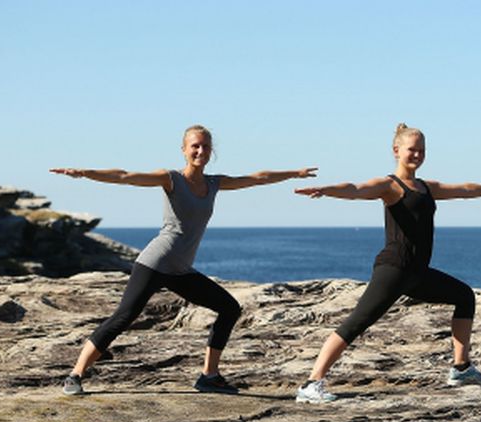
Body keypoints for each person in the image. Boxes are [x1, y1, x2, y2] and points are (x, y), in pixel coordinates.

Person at [51, 125, 317, 395]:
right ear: (184, 150)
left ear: (211, 151)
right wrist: (85, 173)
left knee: (229, 309)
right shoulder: (172, 179)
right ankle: (75, 374)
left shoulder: (214, 183)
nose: (200, 151)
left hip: (180, 270)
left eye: (205, 146)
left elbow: (257, 178)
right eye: (195, 146)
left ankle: (209, 376)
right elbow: (125, 176)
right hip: (155, 262)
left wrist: (294, 173)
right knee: (123, 317)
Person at [293, 123, 481, 403]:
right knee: (356, 324)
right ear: (396, 150)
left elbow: (463, 188)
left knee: (464, 296)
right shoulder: (391, 186)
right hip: (394, 269)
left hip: (417, 273)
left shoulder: (426, 187)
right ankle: (311, 384)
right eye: (412, 149)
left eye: (422, 150)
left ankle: (461, 368)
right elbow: (357, 188)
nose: (417, 155)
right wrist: (327, 189)